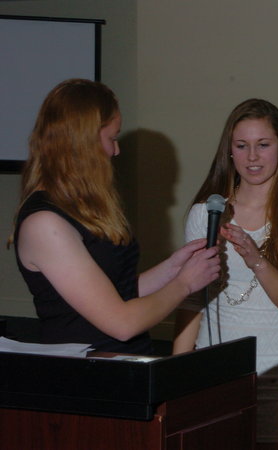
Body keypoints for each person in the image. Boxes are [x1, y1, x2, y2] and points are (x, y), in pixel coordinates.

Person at [12, 78, 220, 355]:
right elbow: (122, 323)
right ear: (84, 141)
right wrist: (185, 284)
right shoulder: (45, 224)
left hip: (123, 365)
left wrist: (173, 270)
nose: (116, 150)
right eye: (112, 138)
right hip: (87, 373)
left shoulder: (80, 207)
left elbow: (117, 294)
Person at [173, 98, 278, 449]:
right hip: (214, 368)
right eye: (242, 146)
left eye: (263, 145)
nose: (252, 157)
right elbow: (191, 301)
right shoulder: (206, 213)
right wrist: (176, 376)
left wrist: (257, 260)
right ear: (229, 151)